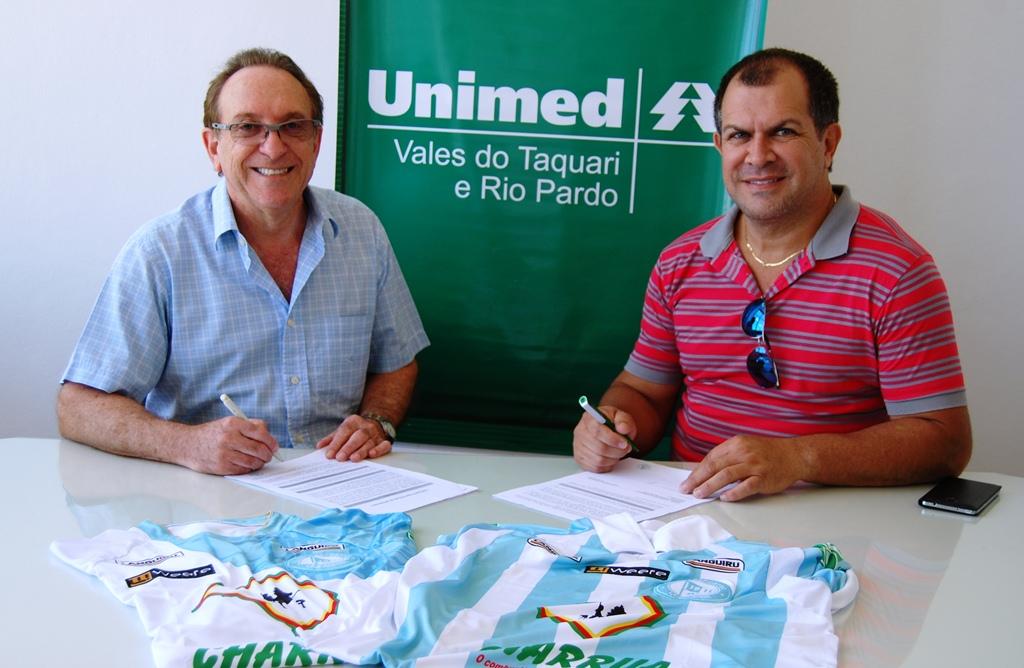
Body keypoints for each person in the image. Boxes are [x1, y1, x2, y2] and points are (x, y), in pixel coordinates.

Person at [572, 48, 971, 501]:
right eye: (739, 135)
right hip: (687, 512)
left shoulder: (897, 271)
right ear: (720, 146)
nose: (757, 156)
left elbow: (944, 440)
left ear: (828, 143)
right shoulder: (679, 261)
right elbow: (643, 392)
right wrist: (612, 425)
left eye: (783, 131)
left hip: (834, 518)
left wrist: (798, 458)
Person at [57, 48, 429, 475]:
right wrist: (185, 443)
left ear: (316, 141)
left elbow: (397, 362)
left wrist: (376, 421)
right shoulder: (160, 252)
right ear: (213, 146)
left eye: (292, 126)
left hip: (338, 487)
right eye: (248, 127)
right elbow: (78, 405)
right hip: (205, 495)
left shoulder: (361, 231)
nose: (273, 147)